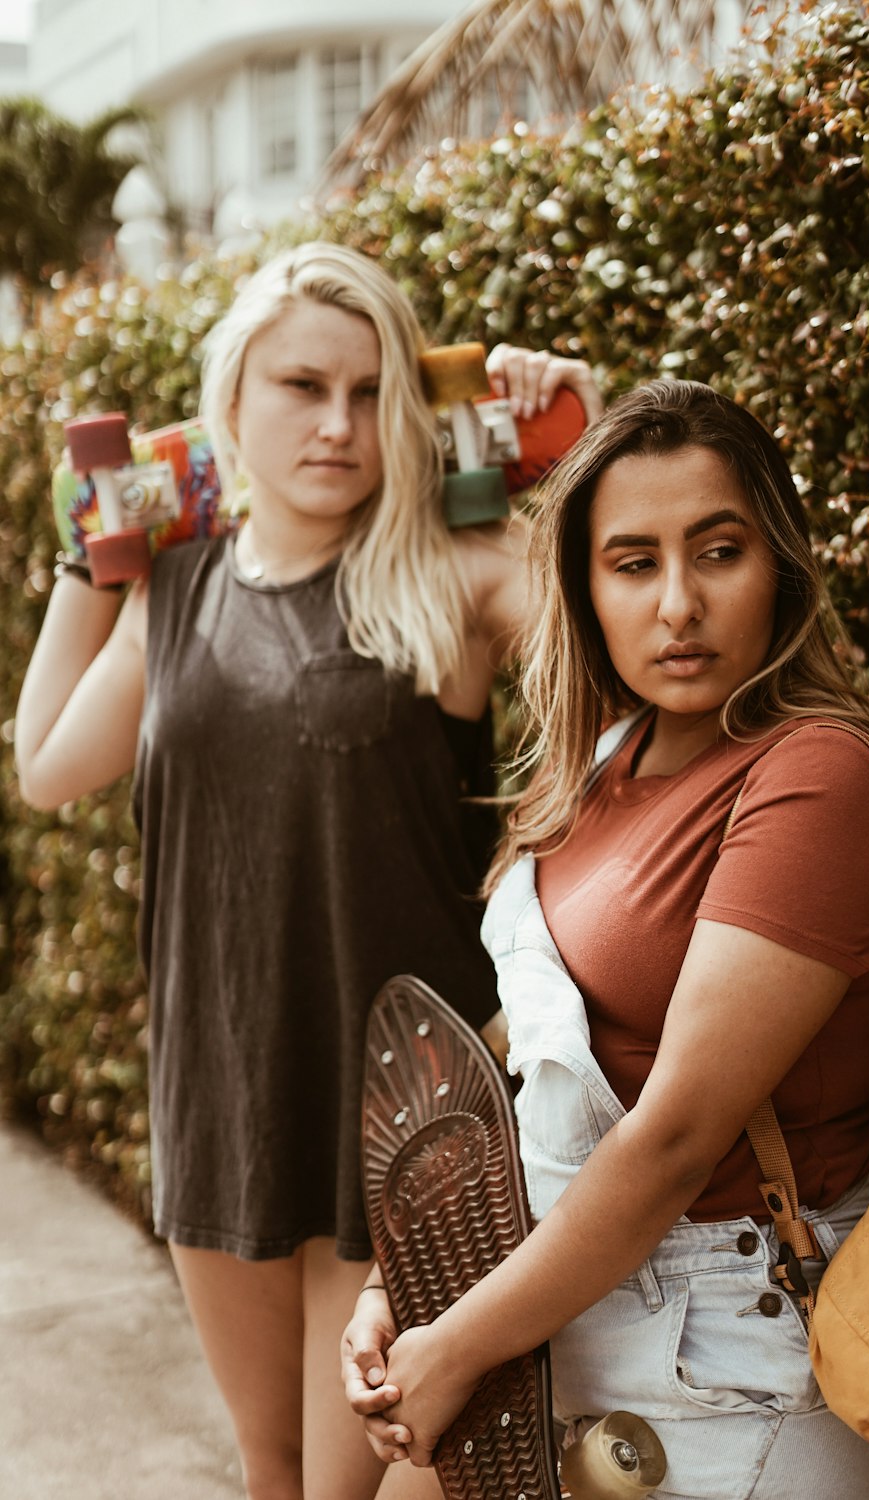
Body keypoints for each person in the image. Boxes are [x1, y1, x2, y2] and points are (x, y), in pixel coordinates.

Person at [14, 240, 602, 1500]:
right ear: (227, 402)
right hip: (218, 1091)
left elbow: (626, 631)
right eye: (300, 386)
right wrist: (97, 539)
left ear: (405, 410)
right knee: (269, 1476)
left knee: (358, 1485)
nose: (338, 424)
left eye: (369, 390)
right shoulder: (171, 587)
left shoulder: (444, 574)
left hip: (393, 1114)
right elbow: (48, 764)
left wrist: (576, 445)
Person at [343, 378, 869, 1499]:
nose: (677, 607)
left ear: (781, 570)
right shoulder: (610, 757)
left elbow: (675, 1138)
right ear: (584, 587)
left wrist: (454, 1346)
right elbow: (535, 1067)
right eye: (633, 562)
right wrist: (403, 1286)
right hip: (555, 1299)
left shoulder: (817, 775)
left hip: (725, 1355)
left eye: (717, 552)